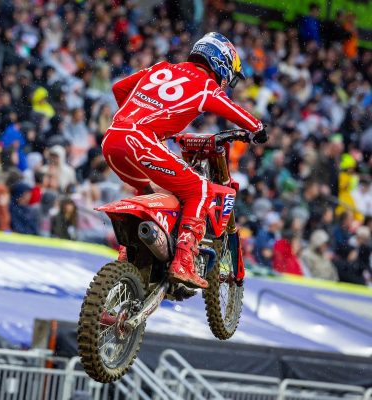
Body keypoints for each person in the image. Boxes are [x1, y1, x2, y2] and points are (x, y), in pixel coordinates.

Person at [101, 32, 266, 289]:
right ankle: (183, 261)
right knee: (200, 189)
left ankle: (131, 254)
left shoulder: (161, 68)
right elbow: (237, 113)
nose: (226, 83)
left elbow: (119, 88)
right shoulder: (206, 85)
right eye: (229, 78)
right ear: (220, 63)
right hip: (140, 141)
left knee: (149, 192)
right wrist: (258, 129)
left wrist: (141, 116)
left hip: (112, 140)